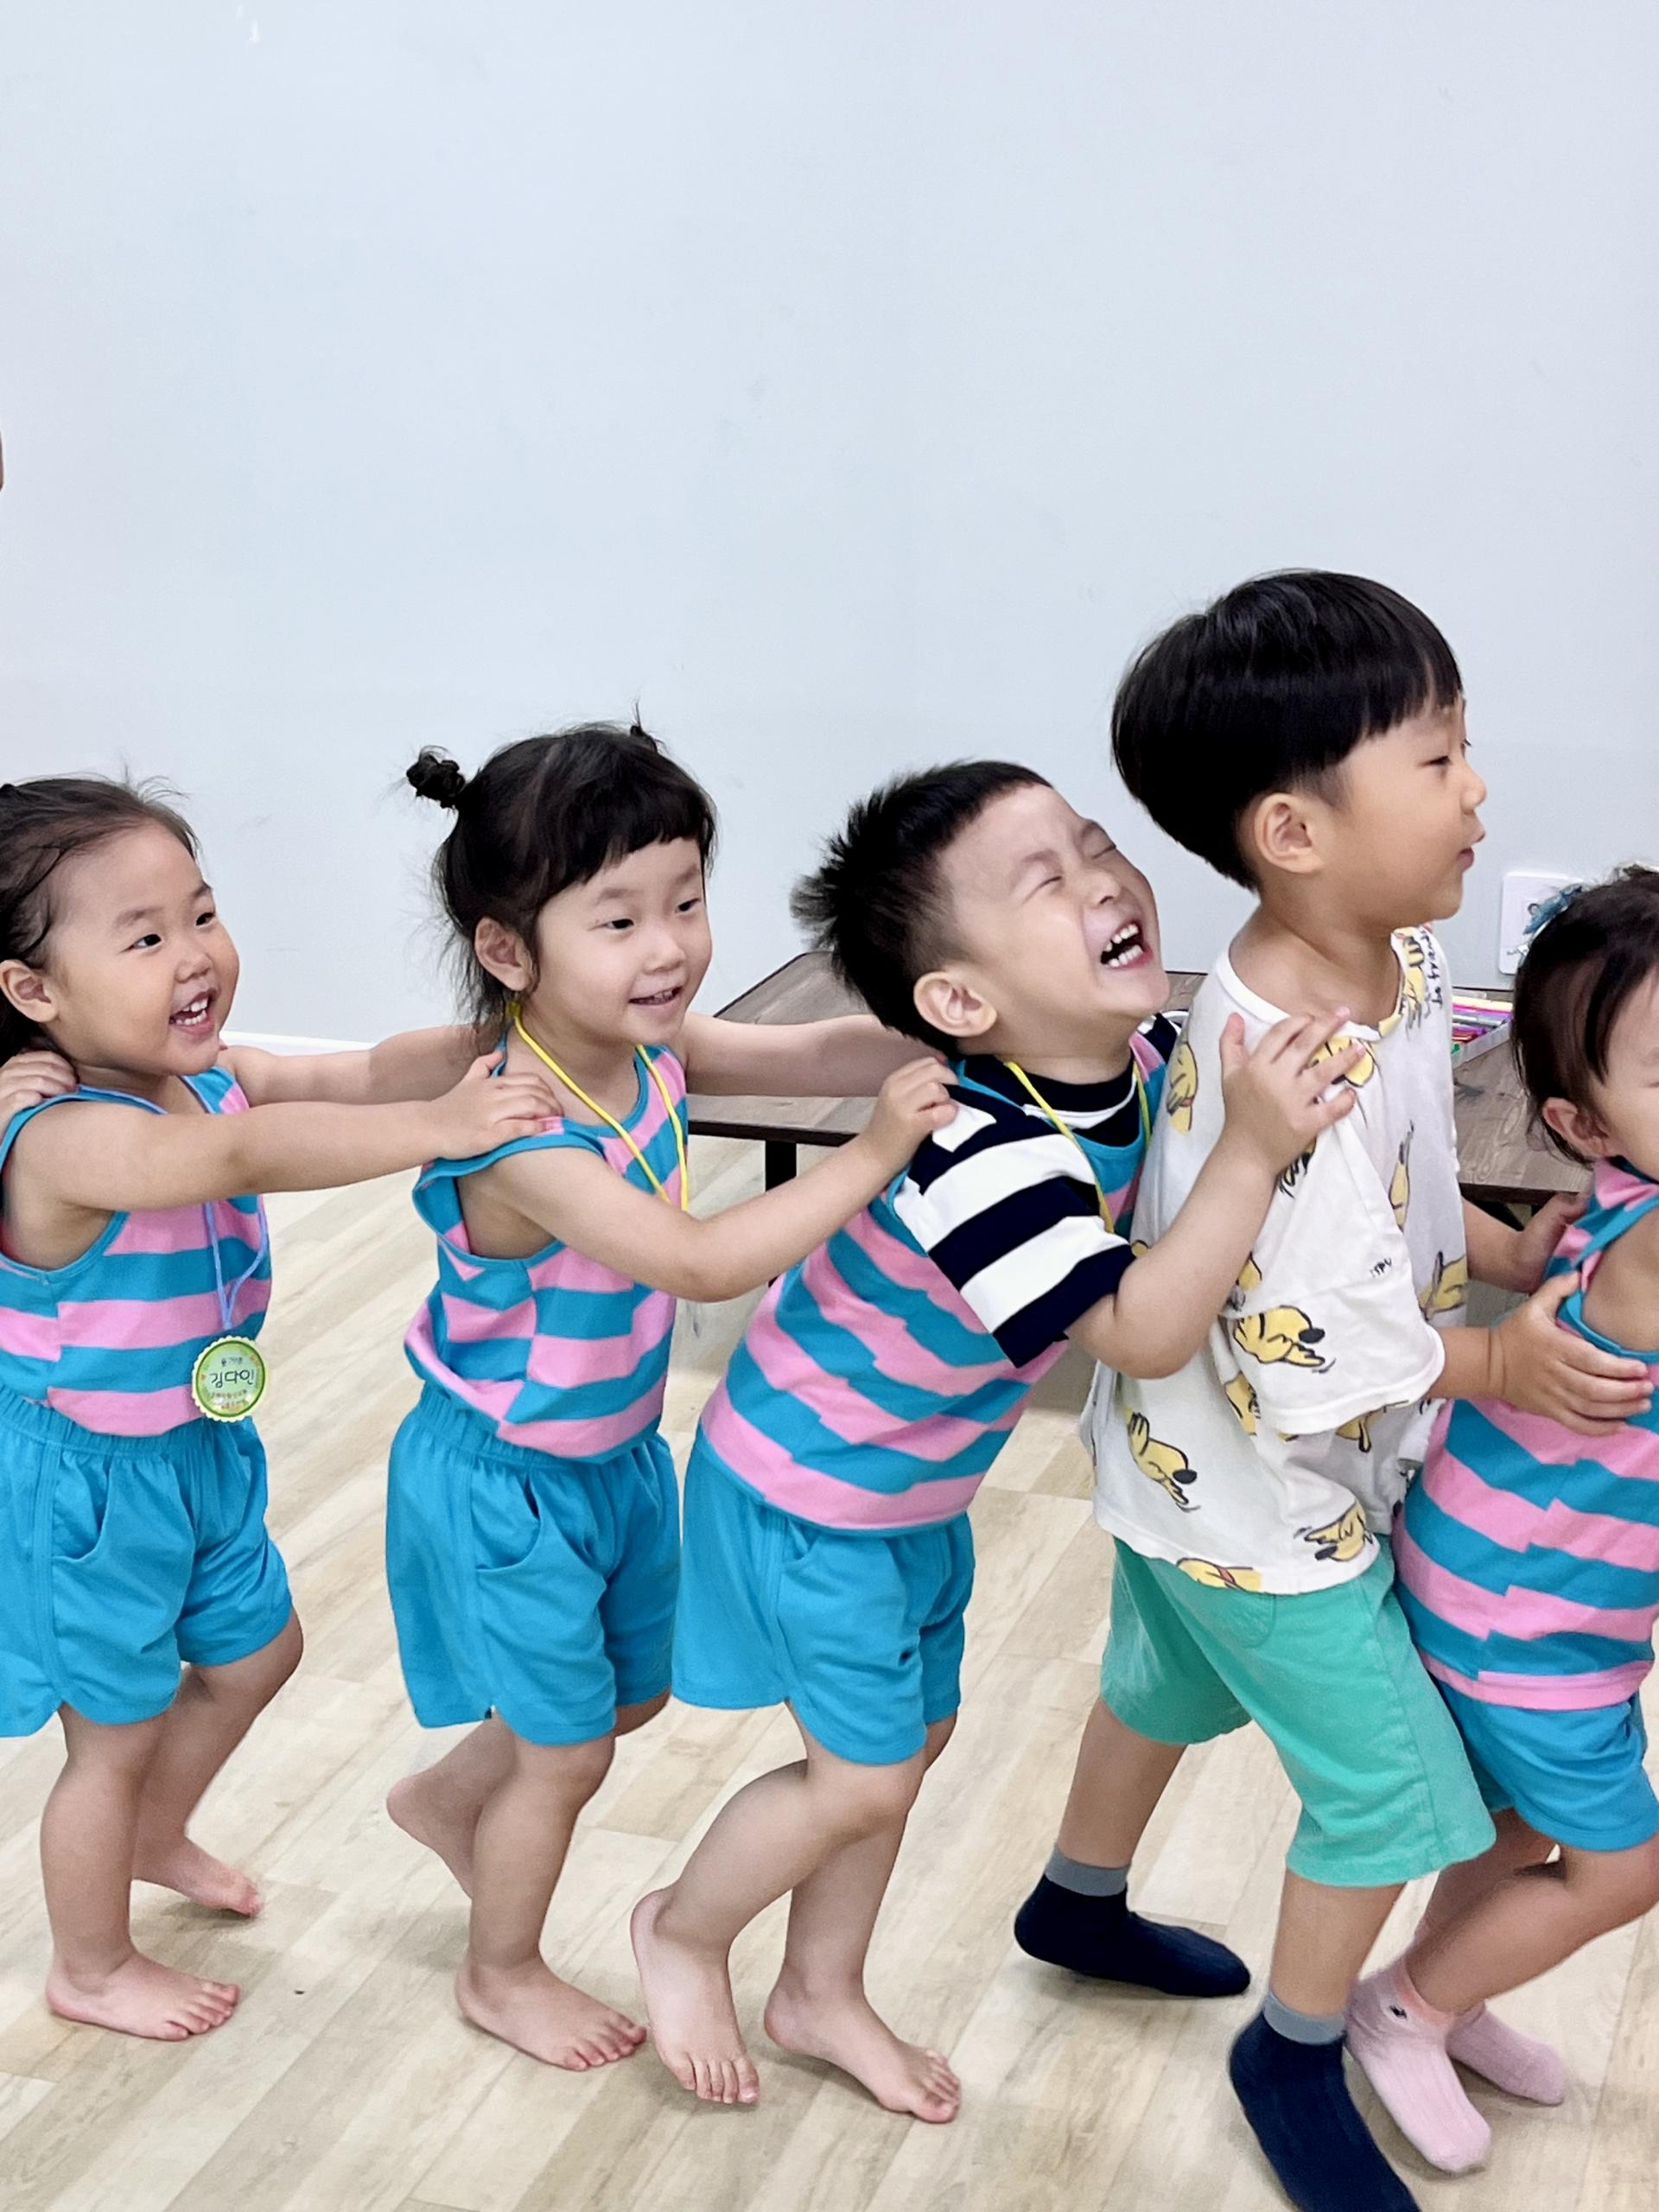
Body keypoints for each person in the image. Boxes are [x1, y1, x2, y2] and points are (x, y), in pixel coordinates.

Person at [1022, 573, 1652, 2212]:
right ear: (1296, 832)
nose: (1479, 790)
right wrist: (1502, 1358)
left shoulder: (1390, 958)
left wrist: (1492, 1252)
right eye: (1438, 760)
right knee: (1388, 1802)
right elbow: (1314, 1332)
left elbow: (1396, 1194)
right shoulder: (1290, 1065)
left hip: (1180, 1469)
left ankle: (1076, 1897)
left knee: (1162, 1682)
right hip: (1271, 1504)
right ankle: (1293, 2057)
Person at [633, 759, 1363, 2119]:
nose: (1104, 884)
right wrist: (1253, 1150)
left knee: (910, 1743)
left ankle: (820, 1992)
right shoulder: (987, 1150)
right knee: (863, 1775)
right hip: (807, 1489)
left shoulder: (1128, 1060)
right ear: (962, 1002)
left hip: (907, 1496)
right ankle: (679, 1929)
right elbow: (1138, 1330)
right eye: (1048, 882)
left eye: (1096, 847)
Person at [383, 723, 953, 2073]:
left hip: (615, 1457)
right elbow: (698, 1260)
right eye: (620, 918)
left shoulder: (650, 1048)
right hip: (501, 1477)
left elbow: (814, 1053)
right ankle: (500, 1971)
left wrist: (956, 1028)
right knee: (567, 1755)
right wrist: (872, 1153)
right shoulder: (521, 1130)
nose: (669, 947)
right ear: (508, 951)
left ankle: (448, 1801)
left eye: (686, 902)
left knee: (620, 1705)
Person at [0, 773, 559, 2042]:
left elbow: (355, 1071)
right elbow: (240, 1158)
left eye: (202, 914)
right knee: (111, 1733)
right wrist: (441, 1128)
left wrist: (507, 1033)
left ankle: (153, 1833)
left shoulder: (203, 1079)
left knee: (256, 1653)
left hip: (196, 1446)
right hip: (81, 1482)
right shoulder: (59, 1137)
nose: (195, 954)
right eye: (145, 938)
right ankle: (90, 1963)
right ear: (33, 991)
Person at [1349, 868, 1659, 2171]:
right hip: (1525, 1615)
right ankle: (1403, 2013)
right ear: (1585, 1124)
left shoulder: (1632, 1199)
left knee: (1520, 1822)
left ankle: (1449, 1994)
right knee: (1622, 1868)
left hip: (1525, 1585)